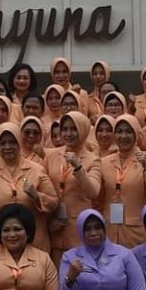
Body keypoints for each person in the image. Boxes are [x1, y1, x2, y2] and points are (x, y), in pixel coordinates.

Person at [0, 122, 58, 254]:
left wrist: (37, 197)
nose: (8, 147)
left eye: (12, 142)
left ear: (19, 143)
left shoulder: (37, 169)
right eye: (3, 143)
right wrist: (3, 228)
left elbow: (54, 202)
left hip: (33, 240)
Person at [98, 114, 146, 248]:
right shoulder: (104, 162)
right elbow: (98, 199)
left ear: (136, 134)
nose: (123, 136)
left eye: (129, 132)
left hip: (136, 233)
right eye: (119, 131)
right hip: (110, 230)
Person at [46, 111, 102, 267]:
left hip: (79, 230)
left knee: (79, 273)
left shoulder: (92, 159)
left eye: (73, 129)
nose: (68, 134)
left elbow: (93, 191)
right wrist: (50, 218)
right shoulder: (51, 156)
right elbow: (44, 187)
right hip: (56, 228)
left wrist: (78, 168)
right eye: (65, 129)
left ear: (83, 130)